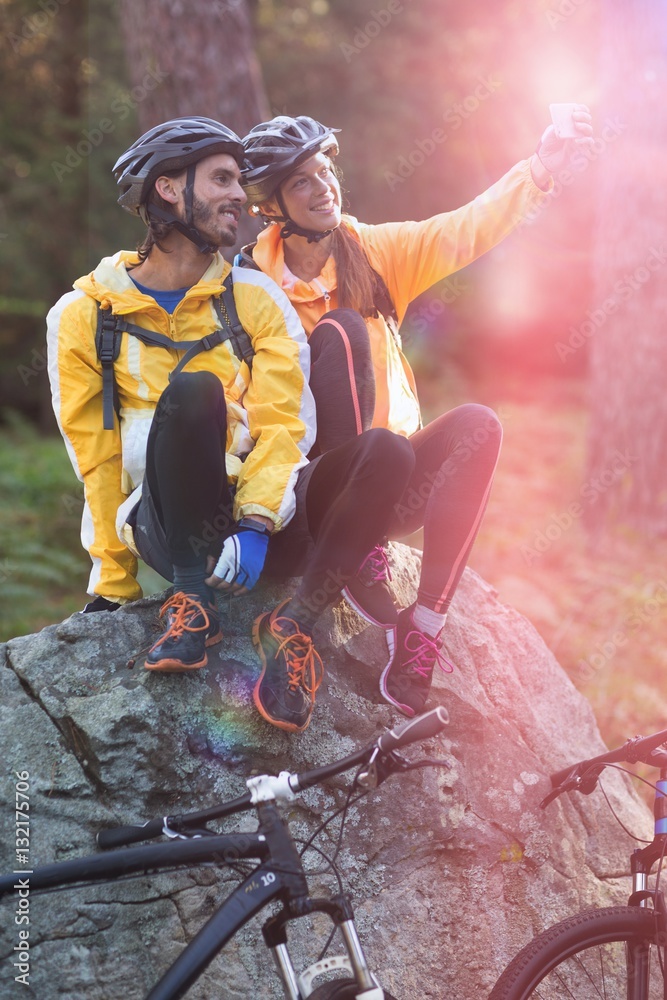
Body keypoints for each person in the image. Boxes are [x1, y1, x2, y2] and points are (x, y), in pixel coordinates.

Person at [46, 116, 415, 733]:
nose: (240, 197)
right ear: (168, 189)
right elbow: (98, 460)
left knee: (390, 455)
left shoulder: (255, 299)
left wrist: (255, 522)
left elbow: (283, 426)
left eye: (239, 181)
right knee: (194, 391)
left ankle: (294, 626)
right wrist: (112, 584)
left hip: (256, 533)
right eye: (221, 179)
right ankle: (192, 602)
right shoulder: (83, 317)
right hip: (168, 530)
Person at [239, 108, 594, 718]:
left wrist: (539, 172)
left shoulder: (373, 253)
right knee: (344, 332)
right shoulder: (246, 283)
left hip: (392, 475)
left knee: (480, 424)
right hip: (306, 490)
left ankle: (422, 627)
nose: (323, 186)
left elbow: (464, 228)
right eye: (301, 181)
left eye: (325, 171)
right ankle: (343, 558)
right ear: (271, 205)